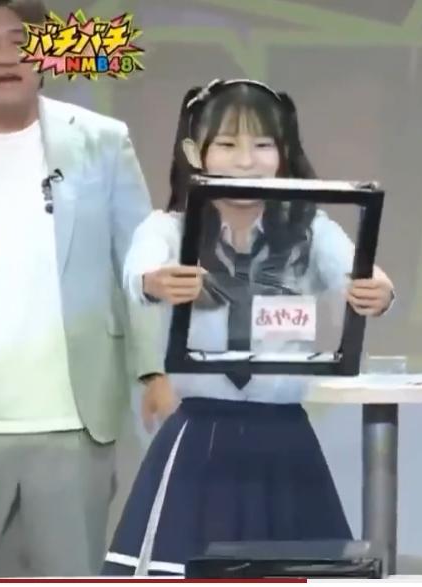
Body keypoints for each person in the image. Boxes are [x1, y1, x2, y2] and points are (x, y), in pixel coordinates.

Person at [101, 79, 395, 576]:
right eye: (227, 144)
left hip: (285, 436)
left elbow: (361, 271)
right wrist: (156, 281)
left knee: (297, 573)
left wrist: (378, 291)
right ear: (194, 152)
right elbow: (139, 272)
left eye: (262, 145)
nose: (245, 160)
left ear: (284, 152)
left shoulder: (308, 230)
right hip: (200, 435)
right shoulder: (169, 228)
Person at [0, 0, 165, 576]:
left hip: (74, 420)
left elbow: (140, 259)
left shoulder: (101, 141)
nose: (4, 56)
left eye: (18, 40)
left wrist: (155, 372)